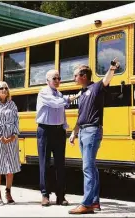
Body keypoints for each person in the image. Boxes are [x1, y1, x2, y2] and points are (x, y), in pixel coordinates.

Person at [68, 59, 120, 214]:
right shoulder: (82, 93)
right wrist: (74, 132)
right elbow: (81, 115)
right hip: (83, 131)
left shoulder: (96, 88)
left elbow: (106, 80)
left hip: (92, 131)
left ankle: (87, 203)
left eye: (75, 75)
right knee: (91, 168)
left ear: (84, 76)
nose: (74, 78)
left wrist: (111, 68)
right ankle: (95, 201)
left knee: (87, 168)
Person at [36, 69, 80, 207]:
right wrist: (69, 98)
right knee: (45, 163)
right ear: (47, 81)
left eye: (59, 78)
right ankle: (45, 194)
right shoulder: (44, 92)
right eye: (54, 78)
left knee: (60, 164)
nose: (57, 81)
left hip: (58, 131)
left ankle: (61, 196)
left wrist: (65, 127)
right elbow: (55, 103)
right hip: (45, 130)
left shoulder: (59, 94)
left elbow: (62, 112)